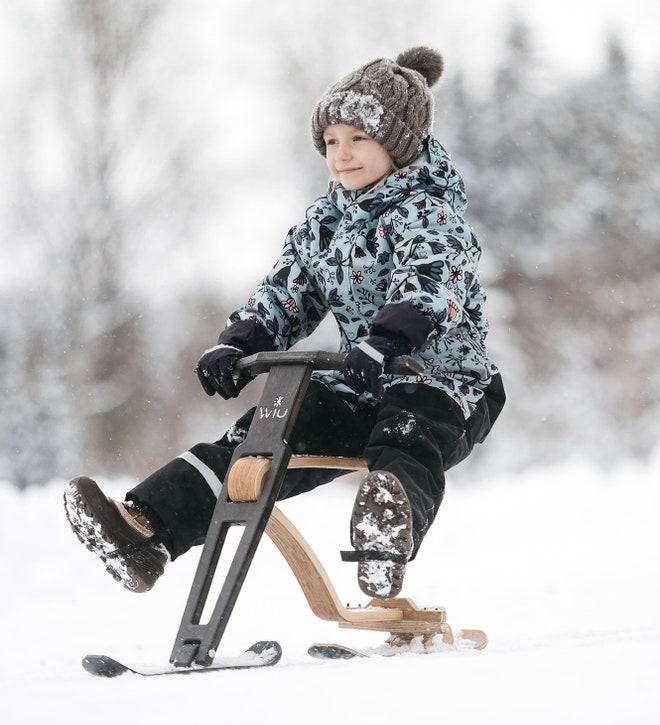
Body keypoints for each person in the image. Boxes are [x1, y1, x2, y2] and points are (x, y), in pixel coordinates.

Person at [63, 46, 505, 600]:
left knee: (405, 431)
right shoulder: (326, 223)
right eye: (331, 142)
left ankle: (385, 533)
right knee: (262, 436)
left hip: (445, 385)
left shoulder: (432, 213)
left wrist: (384, 343)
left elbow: (427, 285)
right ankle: (146, 534)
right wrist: (237, 345)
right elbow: (286, 293)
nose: (341, 155)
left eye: (358, 140)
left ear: (399, 144)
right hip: (360, 382)